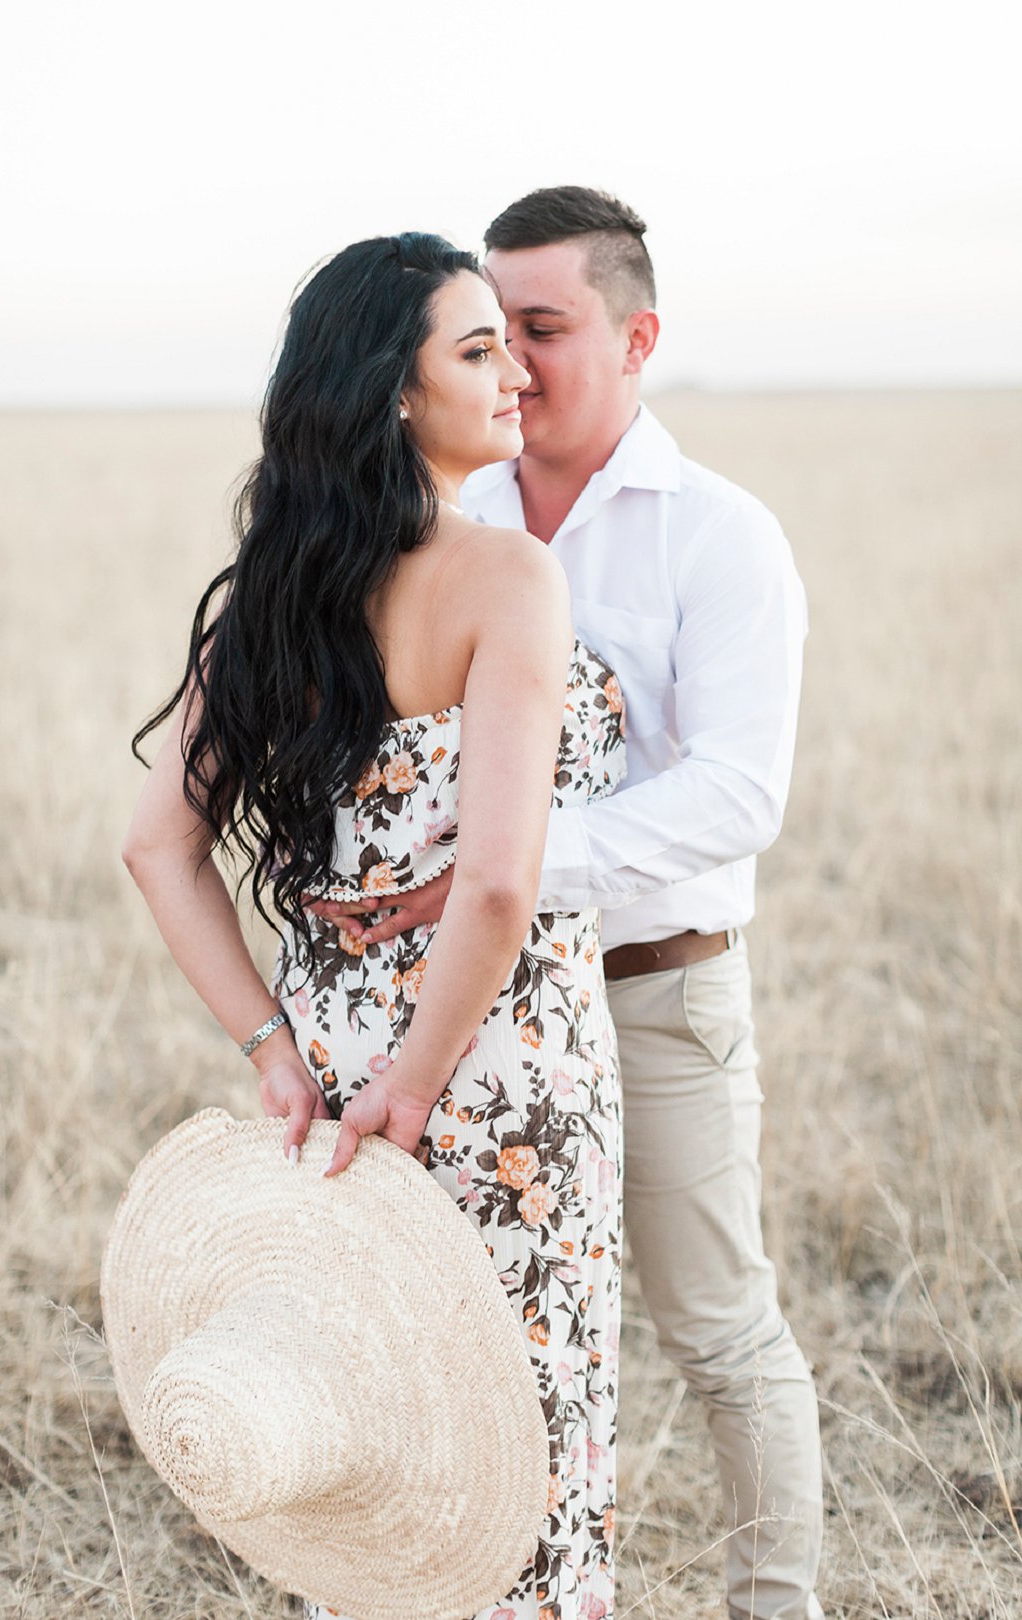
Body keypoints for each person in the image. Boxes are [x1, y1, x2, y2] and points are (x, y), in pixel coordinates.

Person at [315, 190, 824, 1620]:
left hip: (651, 991)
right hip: (470, 1028)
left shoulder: (719, 537)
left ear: (638, 333)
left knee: (718, 1332)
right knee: (463, 1351)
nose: (517, 368)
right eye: (494, 334)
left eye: (544, 329)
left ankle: (775, 1605)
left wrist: (513, 866)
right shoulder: (446, 510)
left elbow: (739, 797)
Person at [122, 232, 626, 1620]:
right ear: (393, 395)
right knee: (521, 1461)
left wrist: (278, 1053)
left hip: (337, 1081)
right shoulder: (508, 578)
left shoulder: (279, 601)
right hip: (496, 1077)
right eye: (477, 351)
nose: (515, 372)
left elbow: (155, 842)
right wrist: (418, 1089)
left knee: (382, 1476)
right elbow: (501, 889)